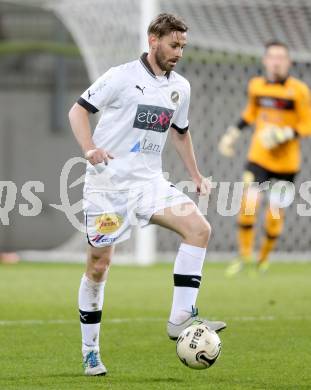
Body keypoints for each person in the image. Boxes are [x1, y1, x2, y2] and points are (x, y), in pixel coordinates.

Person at [69, 13, 226, 376]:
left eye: (183, 46)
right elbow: (77, 111)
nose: (179, 53)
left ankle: (180, 318)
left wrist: (196, 175)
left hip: (149, 184)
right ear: (153, 40)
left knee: (199, 230)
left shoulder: (180, 88)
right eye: (174, 45)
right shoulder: (120, 77)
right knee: (98, 266)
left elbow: (181, 133)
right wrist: (90, 147)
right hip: (108, 188)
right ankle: (90, 350)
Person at [219, 41, 311, 276]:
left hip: (286, 163)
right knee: (248, 203)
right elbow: (250, 113)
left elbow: (307, 123)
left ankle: (264, 259)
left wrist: (285, 133)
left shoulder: (299, 90)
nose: (277, 61)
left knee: (274, 213)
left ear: (289, 62)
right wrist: (232, 134)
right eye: (272, 56)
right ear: (265, 60)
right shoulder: (256, 86)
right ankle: (245, 256)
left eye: (281, 57)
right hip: (258, 157)